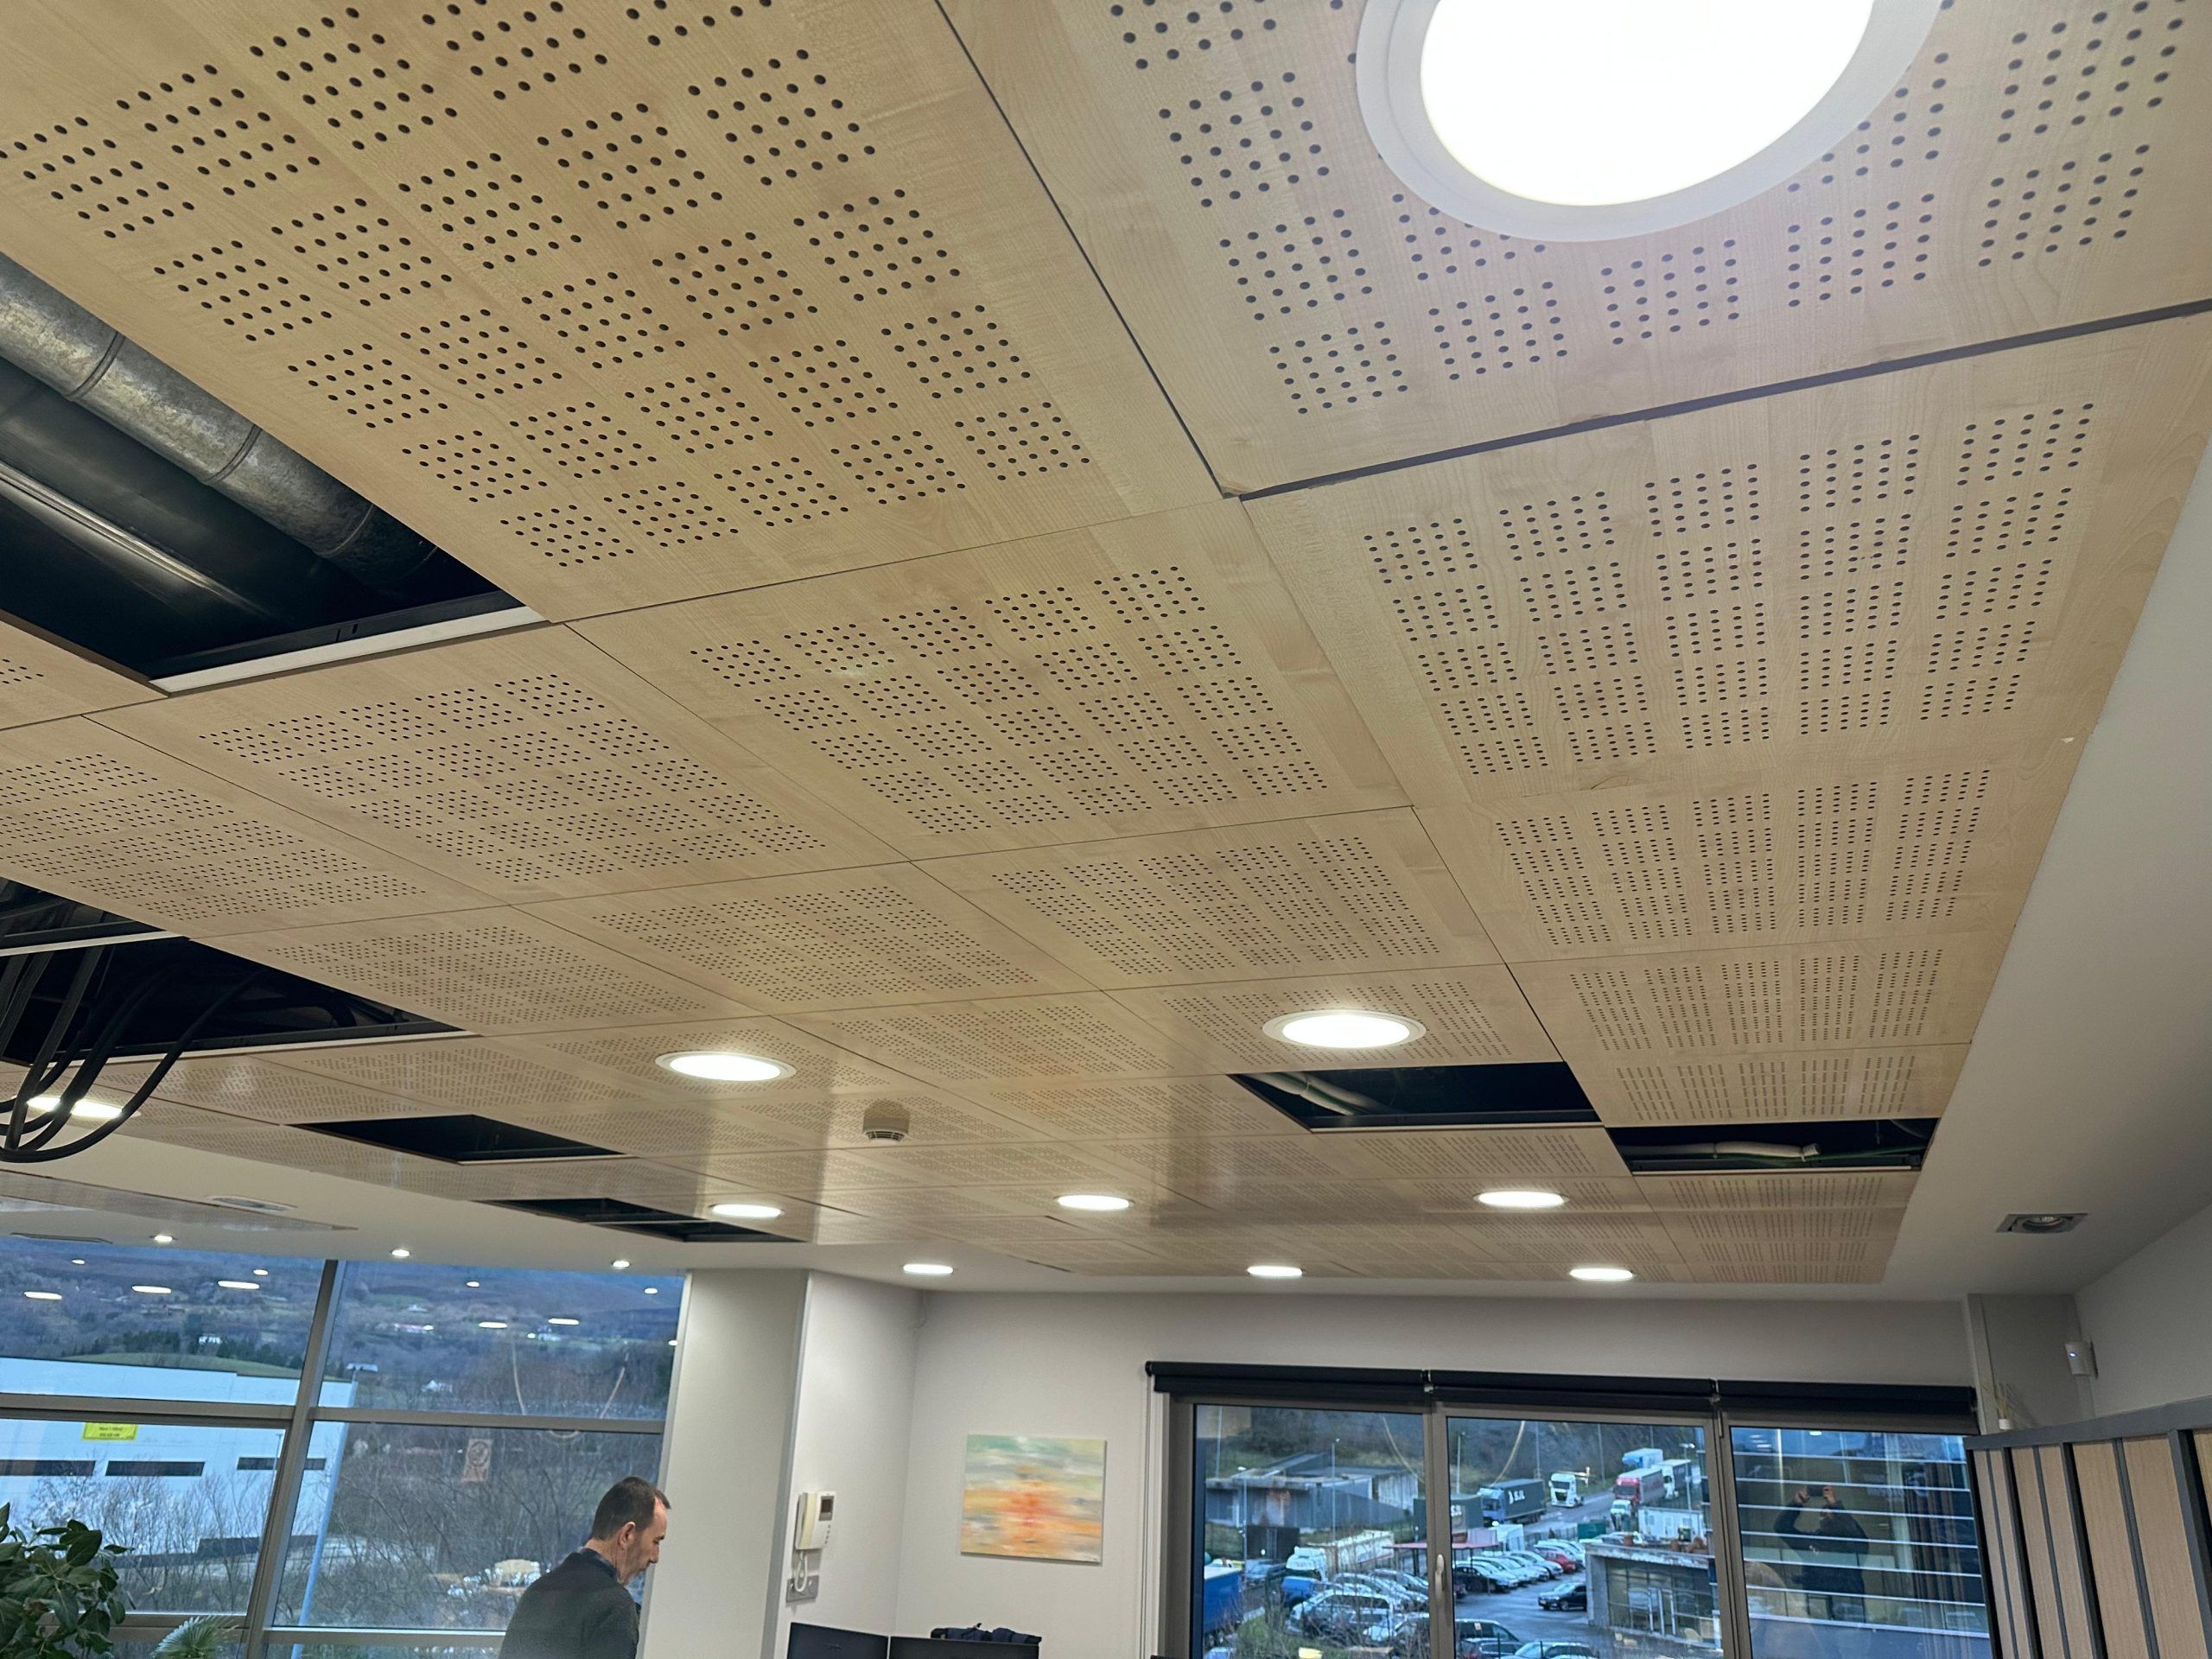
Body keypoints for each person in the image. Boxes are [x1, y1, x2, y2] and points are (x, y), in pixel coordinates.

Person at [500, 1476, 671, 1659]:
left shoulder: (537, 1591)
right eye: (656, 1541)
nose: (655, 1557)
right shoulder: (615, 1607)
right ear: (627, 1535)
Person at [1774, 1483, 1869, 1623]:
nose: (1824, 1517)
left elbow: (1860, 1538)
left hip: (1848, 1603)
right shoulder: (1812, 1542)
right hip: (1818, 1604)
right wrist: (1796, 1504)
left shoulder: (1851, 1543)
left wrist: (1835, 1506)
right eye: (1821, 1515)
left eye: (1829, 1514)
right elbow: (1782, 1528)